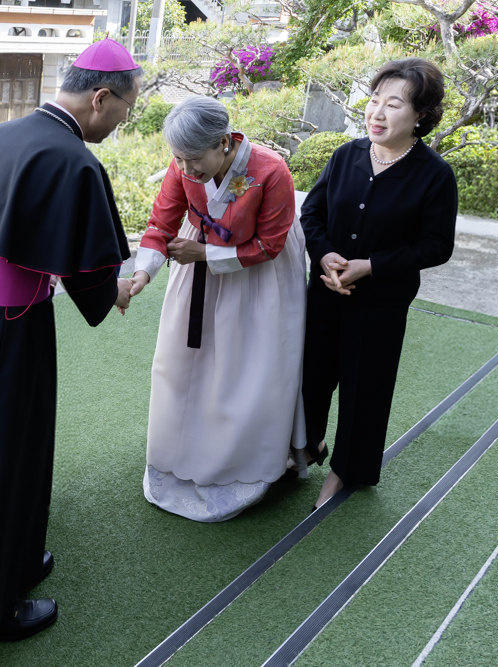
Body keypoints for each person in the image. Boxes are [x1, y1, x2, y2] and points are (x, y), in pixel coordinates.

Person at [0, 39, 140, 663]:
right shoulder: (74, 162)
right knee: (2, 461)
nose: (123, 122)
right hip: (10, 329)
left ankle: (10, 561)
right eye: (126, 110)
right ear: (101, 98)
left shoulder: (3, 133)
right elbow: (91, 279)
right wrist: (118, 290)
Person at [129, 95, 308, 522]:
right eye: (178, 158)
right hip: (198, 263)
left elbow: (270, 245)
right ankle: (184, 452)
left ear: (224, 142)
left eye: (194, 159)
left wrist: (205, 254)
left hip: (260, 275)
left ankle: (242, 461)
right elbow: (161, 223)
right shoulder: (183, 166)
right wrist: (141, 274)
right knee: (182, 363)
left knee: (248, 368)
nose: (185, 169)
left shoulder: (271, 171)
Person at [300, 58, 457, 511]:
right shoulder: (345, 156)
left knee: (365, 388)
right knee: (310, 376)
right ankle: (307, 446)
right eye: (374, 101)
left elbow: (436, 246)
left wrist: (371, 266)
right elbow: (312, 213)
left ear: (420, 115)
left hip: (381, 303)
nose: (378, 113)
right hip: (325, 290)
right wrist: (324, 254)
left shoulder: (434, 174)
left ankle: (346, 472)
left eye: (393, 104)